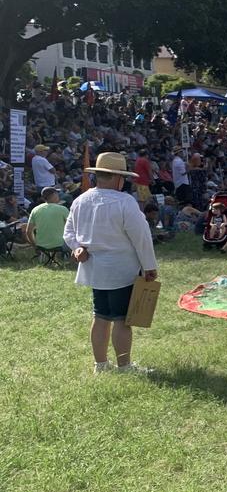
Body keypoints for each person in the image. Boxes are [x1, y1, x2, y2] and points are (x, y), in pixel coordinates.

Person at [62, 152, 158, 374]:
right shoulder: (125, 201)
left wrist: (77, 247)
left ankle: (101, 365)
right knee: (122, 320)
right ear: (118, 178)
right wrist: (149, 266)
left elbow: (69, 232)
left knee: (100, 316)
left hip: (94, 269)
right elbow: (141, 236)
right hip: (121, 270)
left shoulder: (80, 199)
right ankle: (124, 366)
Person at [26, 187, 70, 254]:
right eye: (57, 194)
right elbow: (72, 228)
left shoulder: (35, 210)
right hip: (60, 245)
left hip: (41, 246)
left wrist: (35, 245)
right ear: (54, 195)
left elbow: (28, 232)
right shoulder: (63, 209)